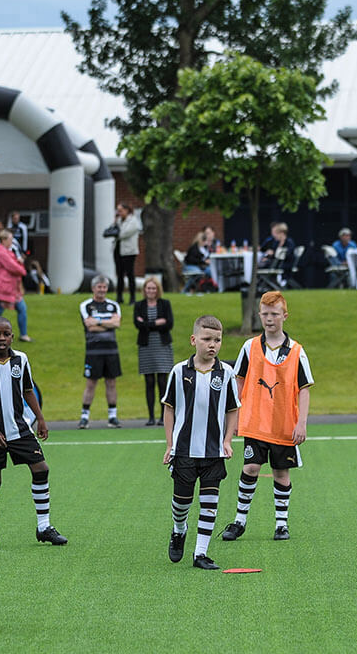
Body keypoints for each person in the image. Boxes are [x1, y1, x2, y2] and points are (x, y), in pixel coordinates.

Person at [0, 317, 65, 550]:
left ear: (12, 336)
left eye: (6, 334)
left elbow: (28, 389)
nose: (2, 338)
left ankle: (44, 526)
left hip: (20, 429)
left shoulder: (21, 359)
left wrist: (40, 418)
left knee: (41, 469)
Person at [221, 291, 313, 542]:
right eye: (265, 314)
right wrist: (236, 417)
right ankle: (239, 521)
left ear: (285, 316)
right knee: (250, 467)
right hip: (255, 422)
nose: (269, 318)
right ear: (259, 315)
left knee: (281, 472)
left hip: (284, 425)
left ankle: (281, 524)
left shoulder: (296, 351)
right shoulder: (249, 347)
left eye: (274, 314)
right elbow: (238, 382)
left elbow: (304, 389)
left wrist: (301, 422)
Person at [163, 315, 240, 571]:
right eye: (207, 339)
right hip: (184, 450)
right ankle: (179, 529)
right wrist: (169, 444)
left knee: (210, 502)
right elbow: (169, 408)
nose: (213, 345)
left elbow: (232, 409)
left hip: (213, 451)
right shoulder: (178, 371)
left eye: (217, 340)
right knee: (181, 503)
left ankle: (200, 553)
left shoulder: (226, 373)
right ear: (194, 340)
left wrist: (228, 440)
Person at [78, 275, 123, 429]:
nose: (102, 290)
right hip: (93, 351)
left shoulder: (114, 305)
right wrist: (107, 323)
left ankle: (112, 417)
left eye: (104, 287)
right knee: (91, 383)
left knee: (111, 382)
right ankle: (84, 417)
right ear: (93, 288)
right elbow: (89, 326)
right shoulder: (86, 305)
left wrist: (98, 321)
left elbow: (117, 324)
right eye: (99, 287)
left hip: (111, 350)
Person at [134, 277, 175, 426]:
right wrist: (156, 323)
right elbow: (138, 325)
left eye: (153, 288)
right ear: (144, 290)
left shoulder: (165, 304)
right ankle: (151, 416)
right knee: (149, 381)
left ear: (157, 290)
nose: (150, 291)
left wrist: (146, 324)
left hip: (162, 346)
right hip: (146, 346)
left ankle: (163, 416)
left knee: (163, 381)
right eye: (148, 288)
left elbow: (169, 323)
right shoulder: (139, 305)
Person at [109, 203, 143, 305]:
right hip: (118, 250)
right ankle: (119, 297)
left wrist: (115, 231)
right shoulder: (119, 221)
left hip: (129, 252)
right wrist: (115, 223)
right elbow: (111, 230)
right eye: (117, 210)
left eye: (120, 210)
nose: (118, 213)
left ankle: (132, 297)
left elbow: (123, 233)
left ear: (127, 210)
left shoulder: (133, 221)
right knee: (119, 274)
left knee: (130, 274)